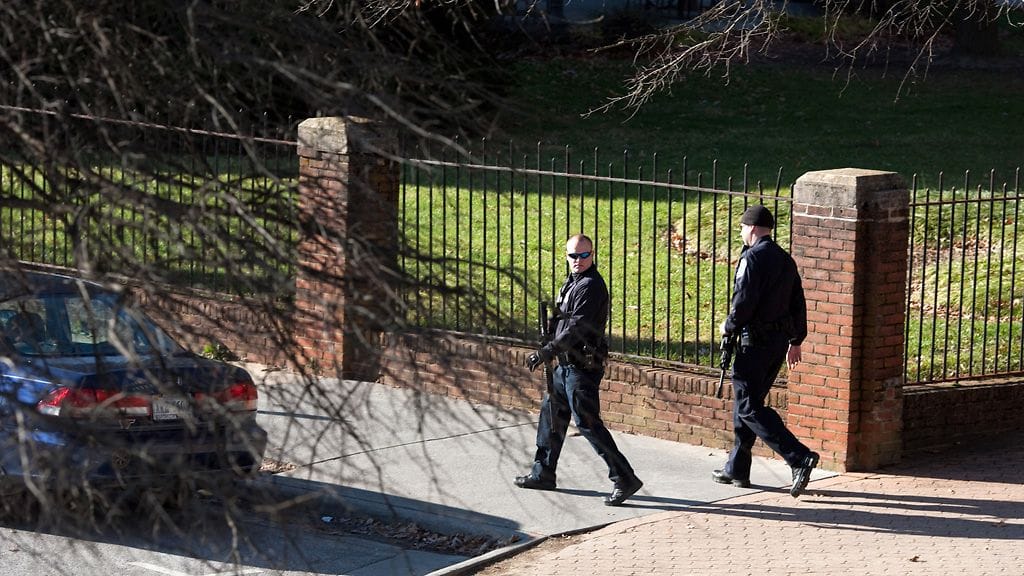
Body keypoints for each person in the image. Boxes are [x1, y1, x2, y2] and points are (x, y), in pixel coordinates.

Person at [515, 233, 643, 506]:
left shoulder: (591, 286)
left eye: (584, 255)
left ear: (592, 255)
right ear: (567, 256)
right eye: (573, 255)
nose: (578, 260)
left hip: (581, 368)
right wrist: (549, 334)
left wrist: (546, 351)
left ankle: (624, 478)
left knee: (588, 424)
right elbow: (563, 320)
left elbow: (578, 327)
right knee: (551, 418)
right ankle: (543, 473)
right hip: (564, 367)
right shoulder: (572, 283)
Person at [712, 205, 820, 498]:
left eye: (742, 228)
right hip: (776, 344)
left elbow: (743, 300)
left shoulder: (753, 257)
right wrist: (796, 340)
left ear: (752, 228)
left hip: (755, 343)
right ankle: (737, 466)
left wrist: (729, 325)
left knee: (748, 406)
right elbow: (798, 300)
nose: (741, 233)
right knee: (748, 403)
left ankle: (798, 456)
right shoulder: (785, 260)